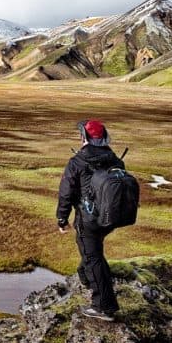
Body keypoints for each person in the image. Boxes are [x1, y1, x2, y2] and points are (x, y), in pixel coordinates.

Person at [56, 119, 123, 321]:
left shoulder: (77, 162)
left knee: (93, 257)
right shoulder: (114, 159)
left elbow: (65, 193)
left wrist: (61, 219)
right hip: (108, 219)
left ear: (84, 137)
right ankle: (86, 277)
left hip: (88, 220)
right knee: (92, 253)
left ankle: (104, 307)